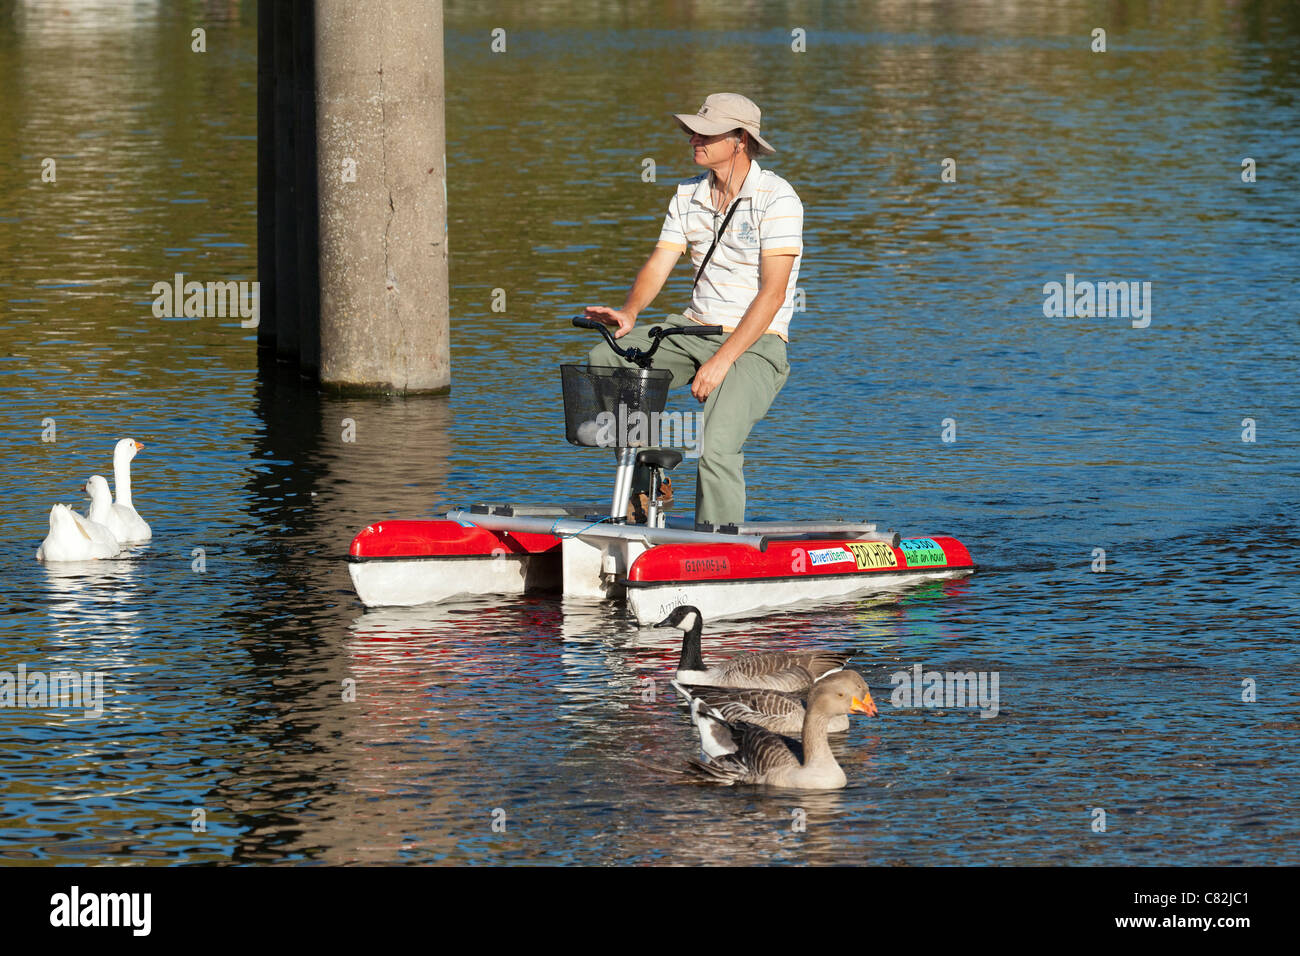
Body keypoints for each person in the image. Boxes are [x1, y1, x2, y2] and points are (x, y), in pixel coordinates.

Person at [584, 92, 803, 528]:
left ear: (740, 139)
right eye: (692, 132)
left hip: (757, 342)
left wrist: (722, 362)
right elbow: (659, 263)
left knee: (717, 446)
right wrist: (629, 312)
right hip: (691, 330)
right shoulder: (687, 195)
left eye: (705, 133)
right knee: (605, 359)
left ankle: (719, 546)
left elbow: (773, 295)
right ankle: (647, 480)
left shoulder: (777, 198)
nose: (693, 140)